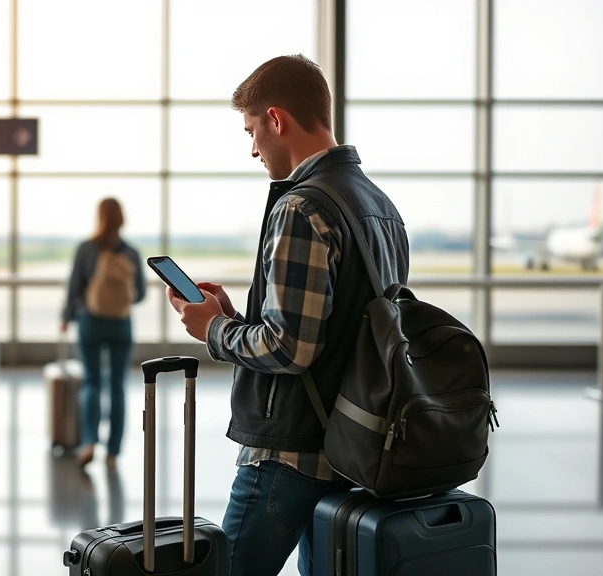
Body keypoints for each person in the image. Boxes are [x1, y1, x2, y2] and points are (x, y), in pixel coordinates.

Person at [165, 54, 410, 576]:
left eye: (252, 130)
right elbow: (340, 326)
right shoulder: (379, 205)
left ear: (277, 119)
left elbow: (288, 347)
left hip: (291, 455)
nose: (253, 148)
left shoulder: (302, 206)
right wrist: (236, 314)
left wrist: (213, 328)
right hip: (355, 446)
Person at [61, 197, 146, 469]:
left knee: (92, 382)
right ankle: (113, 451)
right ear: (122, 218)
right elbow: (140, 294)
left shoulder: (86, 249)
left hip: (91, 323)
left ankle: (89, 442)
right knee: (118, 385)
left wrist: (68, 316)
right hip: (121, 324)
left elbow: (75, 287)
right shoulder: (131, 252)